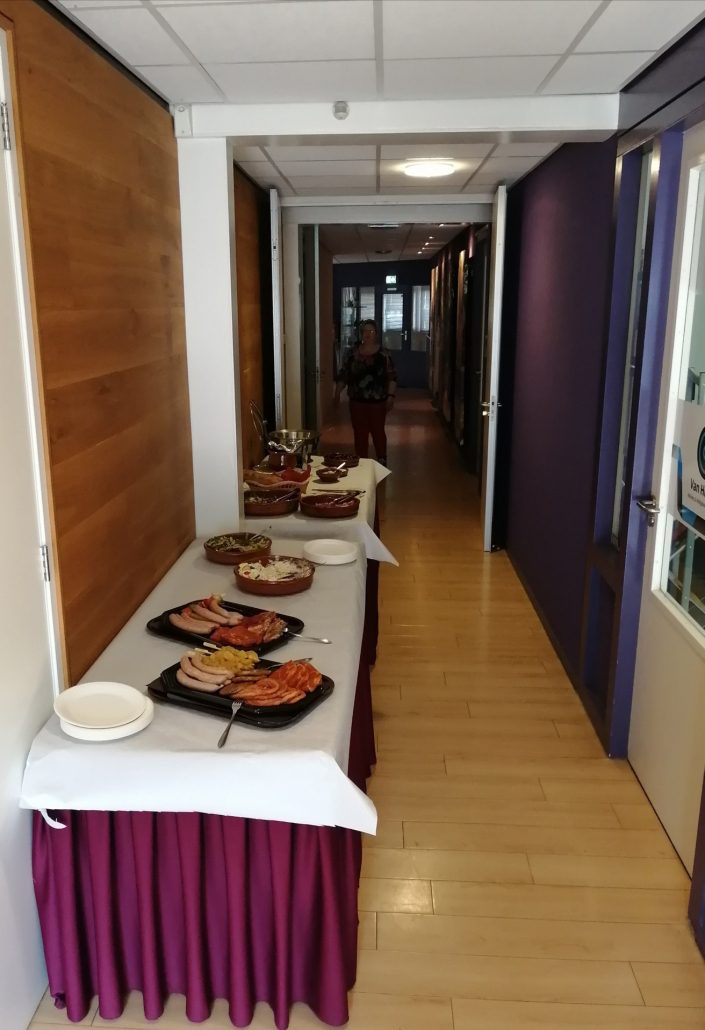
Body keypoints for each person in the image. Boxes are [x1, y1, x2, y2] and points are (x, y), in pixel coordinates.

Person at [334, 319, 397, 464]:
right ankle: (361, 462)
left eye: (371, 331)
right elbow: (344, 374)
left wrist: (391, 396)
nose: (368, 334)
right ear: (361, 333)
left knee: (378, 432)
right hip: (357, 402)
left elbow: (392, 376)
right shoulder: (352, 353)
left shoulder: (384, 354)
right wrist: (337, 393)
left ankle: (381, 460)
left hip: (377, 403)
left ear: (376, 334)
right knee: (359, 433)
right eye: (365, 331)